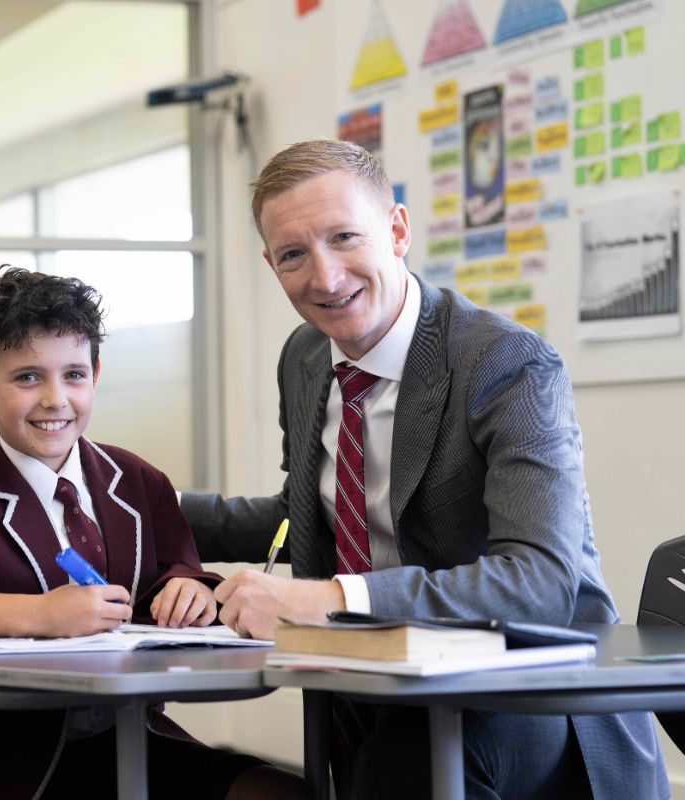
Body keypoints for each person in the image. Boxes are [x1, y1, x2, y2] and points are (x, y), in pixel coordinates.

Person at [181, 138, 668, 800]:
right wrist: (124, 501)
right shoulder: (304, 358)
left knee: (398, 765)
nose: (324, 278)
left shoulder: (505, 362)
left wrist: (330, 598)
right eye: (294, 254)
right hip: (378, 687)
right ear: (273, 265)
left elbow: (541, 582)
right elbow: (310, 512)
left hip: (526, 695)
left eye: (345, 238)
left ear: (398, 231)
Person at [0, 266, 307, 799]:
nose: (55, 399)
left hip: (126, 740)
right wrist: (39, 616)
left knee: (281, 792)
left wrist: (190, 593)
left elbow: (172, 574)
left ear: (96, 374)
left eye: (73, 374)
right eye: (27, 377)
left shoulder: (137, 480)